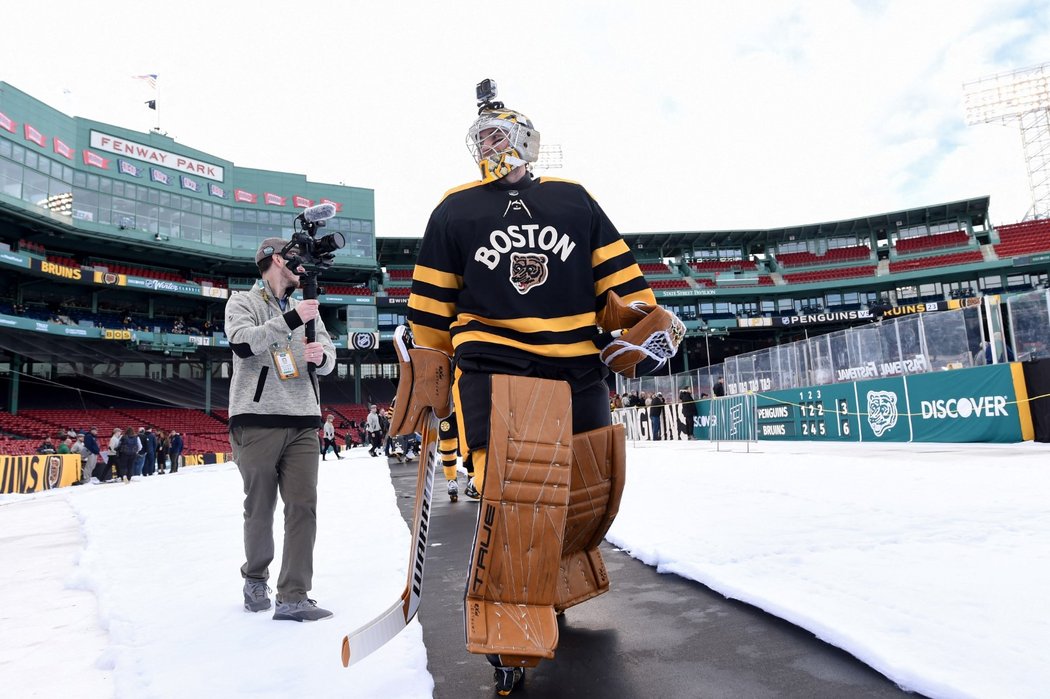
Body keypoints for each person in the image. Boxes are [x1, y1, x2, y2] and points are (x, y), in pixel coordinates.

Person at [402, 82, 683, 694]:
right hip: (496, 363)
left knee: (586, 493)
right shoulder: (454, 208)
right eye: (482, 138)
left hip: (577, 364)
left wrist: (638, 320)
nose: (489, 145)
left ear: (527, 137)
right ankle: (508, 636)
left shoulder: (574, 200)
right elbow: (430, 304)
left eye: (498, 135)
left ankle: (552, 589)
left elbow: (618, 282)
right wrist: (428, 370)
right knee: (518, 498)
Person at [225, 236, 336, 623]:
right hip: (256, 420)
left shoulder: (306, 306)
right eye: (294, 259)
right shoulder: (243, 302)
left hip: (304, 418)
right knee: (260, 508)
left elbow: (328, 355)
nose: (302, 266)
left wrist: (321, 358)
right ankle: (255, 577)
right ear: (275, 260)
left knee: (303, 506)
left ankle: (294, 594)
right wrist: (292, 319)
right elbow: (242, 343)